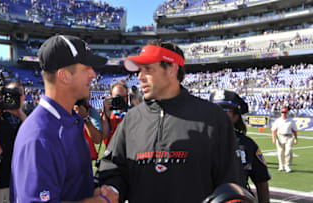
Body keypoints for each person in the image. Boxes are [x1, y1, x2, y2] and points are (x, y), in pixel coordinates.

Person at [95, 40, 242, 203]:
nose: (139, 77)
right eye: (139, 70)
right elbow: (114, 168)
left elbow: (230, 183)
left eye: (148, 69)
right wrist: (112, 189)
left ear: (172, 69)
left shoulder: (213, 118)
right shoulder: (131, 119)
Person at [10, 35, 118, 203]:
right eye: (86, 68)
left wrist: (92, 193)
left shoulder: (70, 121)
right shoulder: (40, 134)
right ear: (64, 76)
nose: (93, 74)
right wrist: (102, 201)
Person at [210, 90, 270, 203]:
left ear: (236, 116)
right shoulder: (196, 141)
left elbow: (261, 181)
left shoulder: (248, 145)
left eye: (224, 110)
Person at [0, 81, 27, 203]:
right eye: (12, 94)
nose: (16, 97)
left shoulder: (28, 117)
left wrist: (21, 115)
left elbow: (36, 134)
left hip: (18, 182)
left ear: (24, 96)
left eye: (19, 94)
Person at [74, 96, 103, 161]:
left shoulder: (91, 111)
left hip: (86, 157)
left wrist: (85, 118)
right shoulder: (64, 109)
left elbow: (97, 139)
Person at [101, 82, 129, 146]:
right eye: (117, 97)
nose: (120, 100)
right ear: (111, 97)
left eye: (123, 97)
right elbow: (104, 135)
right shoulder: (108, 113)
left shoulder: (133, 112)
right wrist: (105, 113)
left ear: (127, 97)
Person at [271, 106, 298, 173]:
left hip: (289, 137)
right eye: (282, 112)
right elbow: (273, 130)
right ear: (281, 113)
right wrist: (273, 138)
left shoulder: (291, 121)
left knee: (288, 151)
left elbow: (294, 130)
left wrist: (296, 139)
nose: (284, 114)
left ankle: (287, 166)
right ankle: (281, 166)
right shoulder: (278, 121)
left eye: (285, 112)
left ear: (287, 113)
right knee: (280, 152)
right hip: (280, 137)